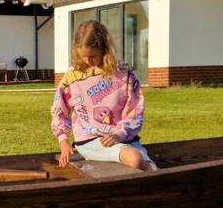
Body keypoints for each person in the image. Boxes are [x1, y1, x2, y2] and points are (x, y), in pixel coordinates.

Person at [51, 19, 157, 172]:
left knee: (151, 169)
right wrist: (63, 141)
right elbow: (58, 110)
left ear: (105, 49)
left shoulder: (123, 75)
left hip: (124, 138)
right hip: (91, 139)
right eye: (83, 56)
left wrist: (119, 134)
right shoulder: (72, 77)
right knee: (135, 159)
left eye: (93, 56)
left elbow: (135, 111)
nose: (88, 61)